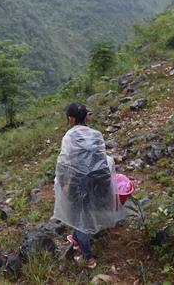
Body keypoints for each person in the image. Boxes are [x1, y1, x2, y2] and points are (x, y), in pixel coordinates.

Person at [52, 101, 122, 268]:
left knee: (79, 218)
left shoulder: (69, 137)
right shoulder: (96, 135)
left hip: (78, 184)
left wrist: (62, 184)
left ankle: (88, 257)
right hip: (97, 182)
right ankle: (76, 239)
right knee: (88, 211)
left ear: (71, 119)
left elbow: (63, 164)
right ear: (86, 117)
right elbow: (100, 160)